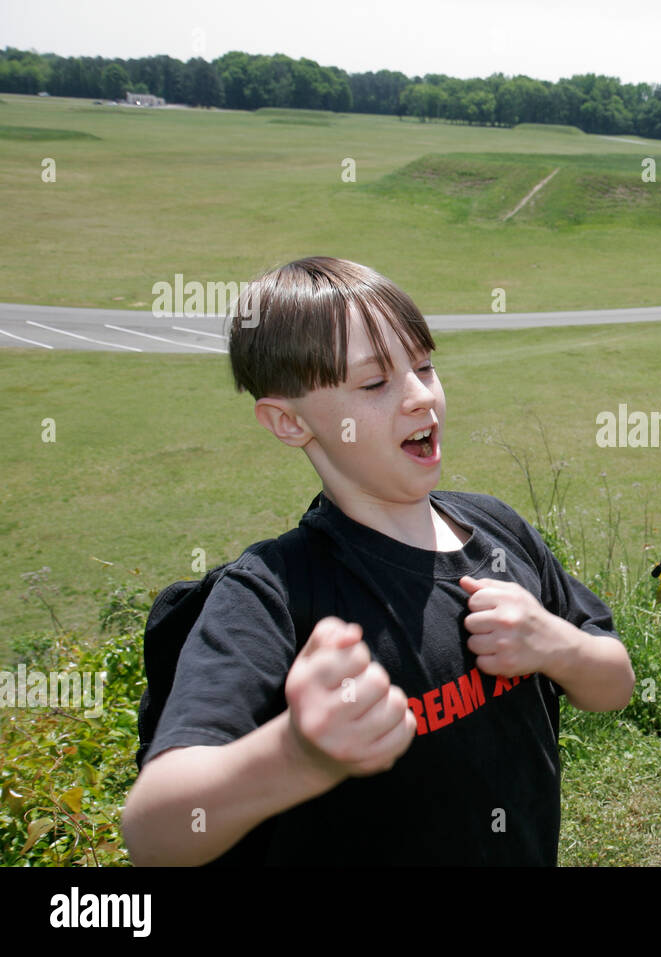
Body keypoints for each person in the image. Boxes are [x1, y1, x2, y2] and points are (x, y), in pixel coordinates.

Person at [121, 257, 634, 865]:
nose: (421, 396)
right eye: (374, 383)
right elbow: (155, 833)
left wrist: (557, 646)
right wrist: (295, 755)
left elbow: (616, 686)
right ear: (288, 421)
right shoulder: (275, 596)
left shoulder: (497, 530)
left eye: (424, 365)